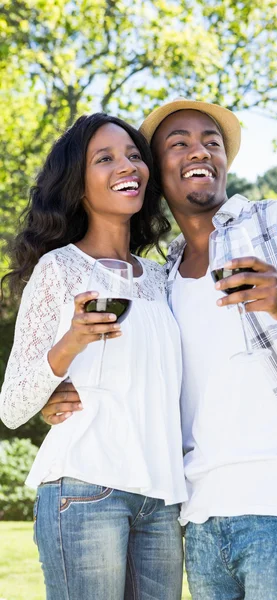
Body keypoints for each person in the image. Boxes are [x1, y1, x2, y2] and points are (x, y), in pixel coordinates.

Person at [41, 99, 277, 600]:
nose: (199, 151)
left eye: (212, 141)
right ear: (154, 172)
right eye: (178, 143)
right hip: (199, 521)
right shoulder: (155, 280)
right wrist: (57, 390)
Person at [0, 113, 187, 600]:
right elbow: (13, 405)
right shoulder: (59, 269)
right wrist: (72, 343)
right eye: (104, 158)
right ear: (78, 185)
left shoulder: (162, 277)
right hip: (85, 489)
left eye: (132, 156)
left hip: (162, 498)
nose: (127, 166)